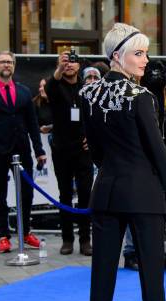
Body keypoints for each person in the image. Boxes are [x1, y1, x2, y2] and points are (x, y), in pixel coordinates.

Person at [80, 23, 166, 301]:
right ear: (117, 56)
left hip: (105, 192)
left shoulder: (88, 95)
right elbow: (159, 154)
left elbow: (96, 153)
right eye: (139, 53)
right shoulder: (141, 97)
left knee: (100, 284)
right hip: (144, 197)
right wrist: (161, 187)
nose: (146, 60)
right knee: (152, 285)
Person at [0, 51, 45, 253]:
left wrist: (38, 150)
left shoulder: (24, 92)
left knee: (27, 194)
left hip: (22, 151)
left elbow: (33, 124)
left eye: (9, 62)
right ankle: (3, 236)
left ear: (13, 66)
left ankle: (25, 233)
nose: (6, 65)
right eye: (2, 62)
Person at [45, 51, 93, 256]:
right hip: (62, 149)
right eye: (65, 62)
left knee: (85, 195)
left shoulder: (87, 87)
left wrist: (92, 138)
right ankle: (67, 239)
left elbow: (96, 115)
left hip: (83, 150)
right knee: (65, 194)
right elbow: (49, 87)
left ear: (79, 66)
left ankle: (85, 240)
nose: (69, 65)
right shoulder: (56, 86)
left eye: (73, 62)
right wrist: (59, 69)